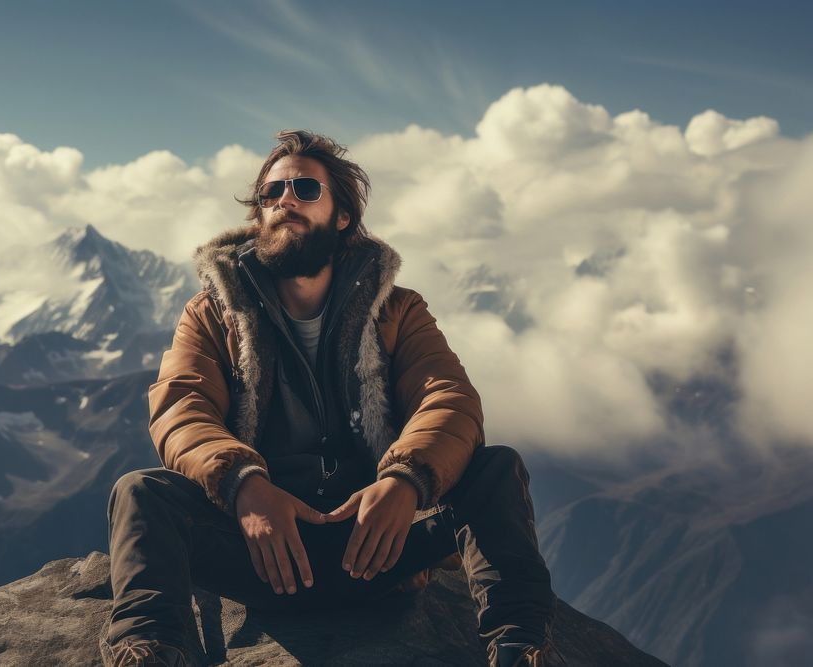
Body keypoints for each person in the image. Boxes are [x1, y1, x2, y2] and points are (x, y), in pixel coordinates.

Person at [103, 130, 559, 667]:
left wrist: (404, 481)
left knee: (496, 469)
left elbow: (449, 398)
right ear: (258, 215)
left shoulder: (398, 310)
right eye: (271, 194)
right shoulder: (211, 313)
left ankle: (519, 647)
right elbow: (182, 410)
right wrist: (244, 486)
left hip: (375, 547)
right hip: (262, 552)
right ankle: (149, 652)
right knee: (141, 493)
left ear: (343, 216)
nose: (284, 201)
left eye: (304, 189)